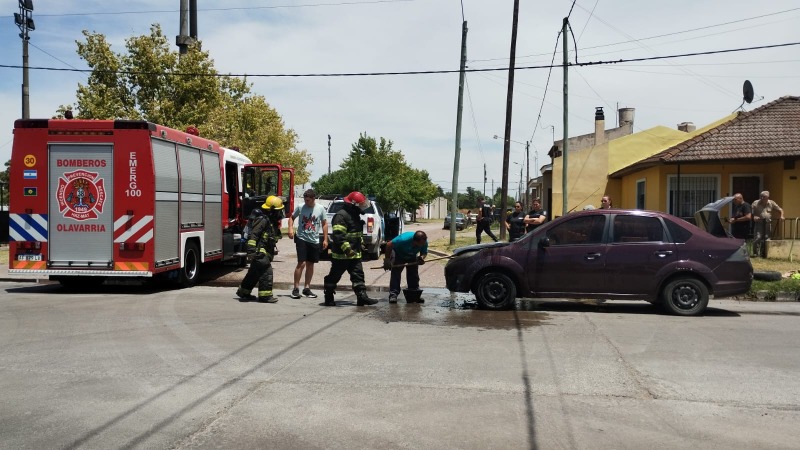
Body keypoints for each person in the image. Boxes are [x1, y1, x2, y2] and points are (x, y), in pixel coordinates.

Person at [323, 191, 379, 307]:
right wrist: (348, 250)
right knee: (334, 276)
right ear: (352, 204)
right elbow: (339, 236)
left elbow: (356, 234)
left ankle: (362, 297)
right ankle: (328, 297)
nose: (363, 207)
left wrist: (362, 244)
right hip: (342, 255)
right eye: (361, 205)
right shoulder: (341, 216)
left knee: (358, 275)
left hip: (355, 253)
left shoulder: (355, 215)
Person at [236, 195, 284, 303]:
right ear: (271, 211)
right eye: (278, 211)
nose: (280, 214)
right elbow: (254, 235)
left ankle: (243, 292)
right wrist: (251, 251)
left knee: (254, 272)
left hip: (263, 251)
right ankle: (265, 296)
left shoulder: (270, 221)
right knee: (266, 271)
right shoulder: (262, 220)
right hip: (259, 251)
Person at [287, 189, 328, 299]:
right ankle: (296, 288)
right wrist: (290, 228)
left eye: (308, 200)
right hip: (301, 238)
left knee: (310, 264)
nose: (306, 202)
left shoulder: (320, 209)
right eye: (305, 200)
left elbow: (324, 224)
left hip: (314, 240)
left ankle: (307, 288)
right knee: (302, 263)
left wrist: (325, 239)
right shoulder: (300, 207)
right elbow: (291, 218)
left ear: (313, 199)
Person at [382, 231, 428, 303]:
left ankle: (414, 294)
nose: (420, 246)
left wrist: (421, 258)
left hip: (412, 255)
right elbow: (389, 244)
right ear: (414, 241)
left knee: (413, 274)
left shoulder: (424, 242)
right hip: (398, 254)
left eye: (422, 244)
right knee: (396, 273)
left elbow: (424, 252)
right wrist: (387, 259)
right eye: (419, 244)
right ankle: (393, 294)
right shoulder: (403, 239)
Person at [751, 190, 783, 257]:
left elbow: (780, 210)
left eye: (764, 197)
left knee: (766, 239)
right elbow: (750, 213)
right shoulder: (756, 203)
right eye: (761, 196)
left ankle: (764, 253)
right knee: (758, 238)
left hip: (768, 224)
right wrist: (754, 216)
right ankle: (755, 253)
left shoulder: (771, 203)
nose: (762, 198)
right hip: (759, 223)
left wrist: (781, 216)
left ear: (768, 197)